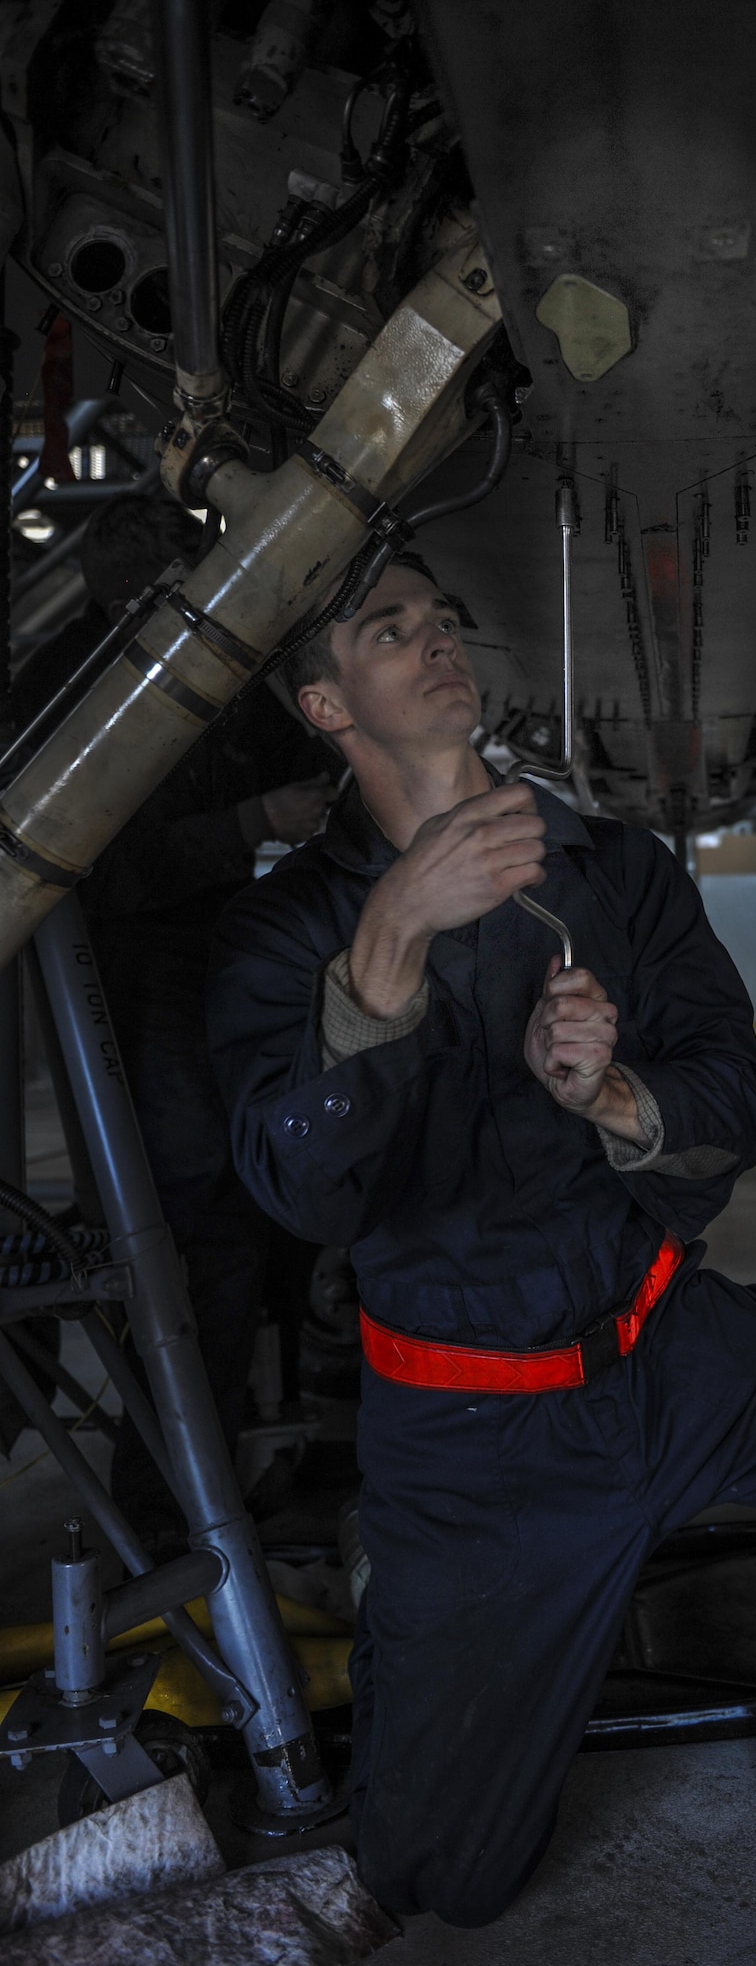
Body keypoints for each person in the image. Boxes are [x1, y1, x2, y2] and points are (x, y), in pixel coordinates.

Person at [207, 552, 756, 1925]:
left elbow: (734, 1102)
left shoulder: (612, 871)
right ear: (327, 708)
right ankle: (403, 1567)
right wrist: (388, 943)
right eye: (390, 633)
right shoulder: (289, 934)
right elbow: (302, 1195)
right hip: (468, 1440)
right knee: (444, 1878)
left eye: (441, 619)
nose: (436, 642)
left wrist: (615, 1095)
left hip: (671, 1356)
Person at [12, 490, 339, 1543]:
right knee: (190, 1231)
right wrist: (253, 822)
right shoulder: (73, 684)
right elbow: (85, 870)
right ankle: (173, 1512)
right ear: (135, 587)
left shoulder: (210, 662)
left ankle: (266, 1451)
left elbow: (295, 758)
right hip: (140, 987)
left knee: (273, 1211)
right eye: (178, 578)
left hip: (236, 963)